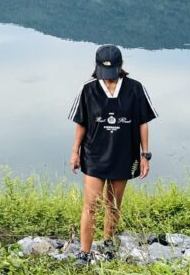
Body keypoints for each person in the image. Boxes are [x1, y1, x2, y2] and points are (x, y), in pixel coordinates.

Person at [67, 44, 158, 266]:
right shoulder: (87, 89)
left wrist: (145, 155)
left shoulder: (135, 89)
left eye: (112, 72)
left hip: (124, 155)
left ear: (120, 66)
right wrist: (74, 152)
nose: (108, 77)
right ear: (97, 67)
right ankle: (84, 253)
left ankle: (108, 243)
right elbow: (81, 124)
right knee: (91, 205)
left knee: (113, 204)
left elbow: (143, 123)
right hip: (94, 155)